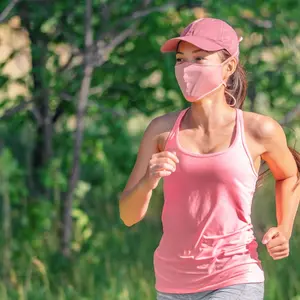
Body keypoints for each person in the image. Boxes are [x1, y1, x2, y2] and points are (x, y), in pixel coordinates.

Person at [119, 18, 300, 300]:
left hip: (235, 275)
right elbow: (128, 216)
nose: (186, 69)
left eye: (200, 58)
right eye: (181, 59)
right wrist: (148, 181)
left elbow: (289, 175)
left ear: (228, 68)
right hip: (170, 283)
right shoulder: (161, 131)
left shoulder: (258, 130)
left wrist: (284, 228)